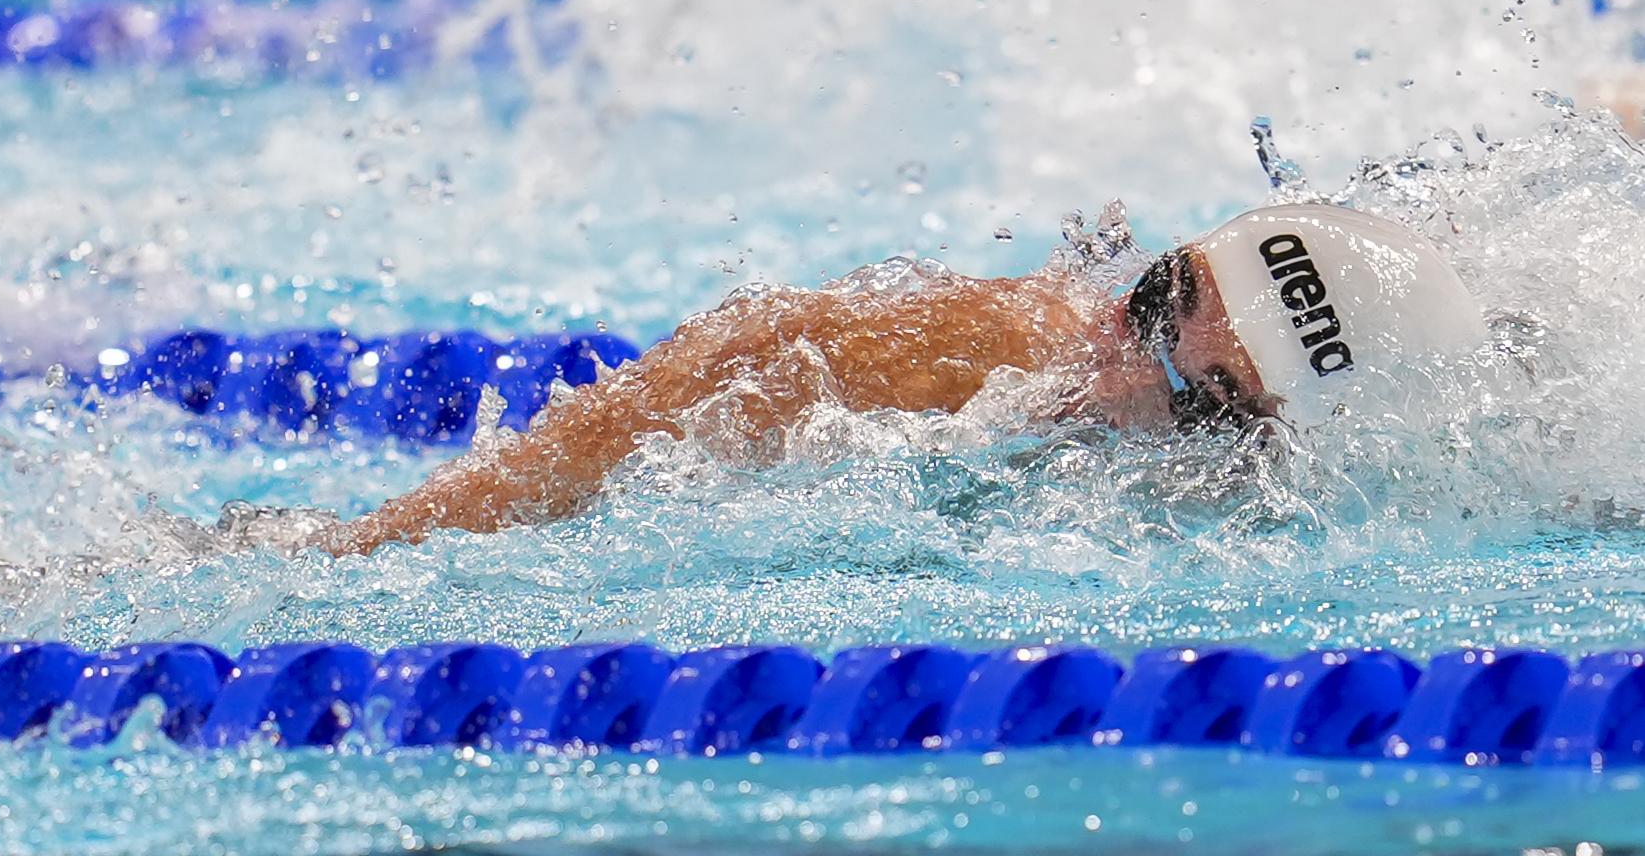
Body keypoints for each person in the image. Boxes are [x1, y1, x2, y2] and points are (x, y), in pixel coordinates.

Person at [315, 203, 1487, 555]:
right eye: (1153, 299)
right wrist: (363, 551)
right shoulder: (977, 356)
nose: (1125, 358)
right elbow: (725, 365)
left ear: (1269, 439)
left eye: (1201, 388)